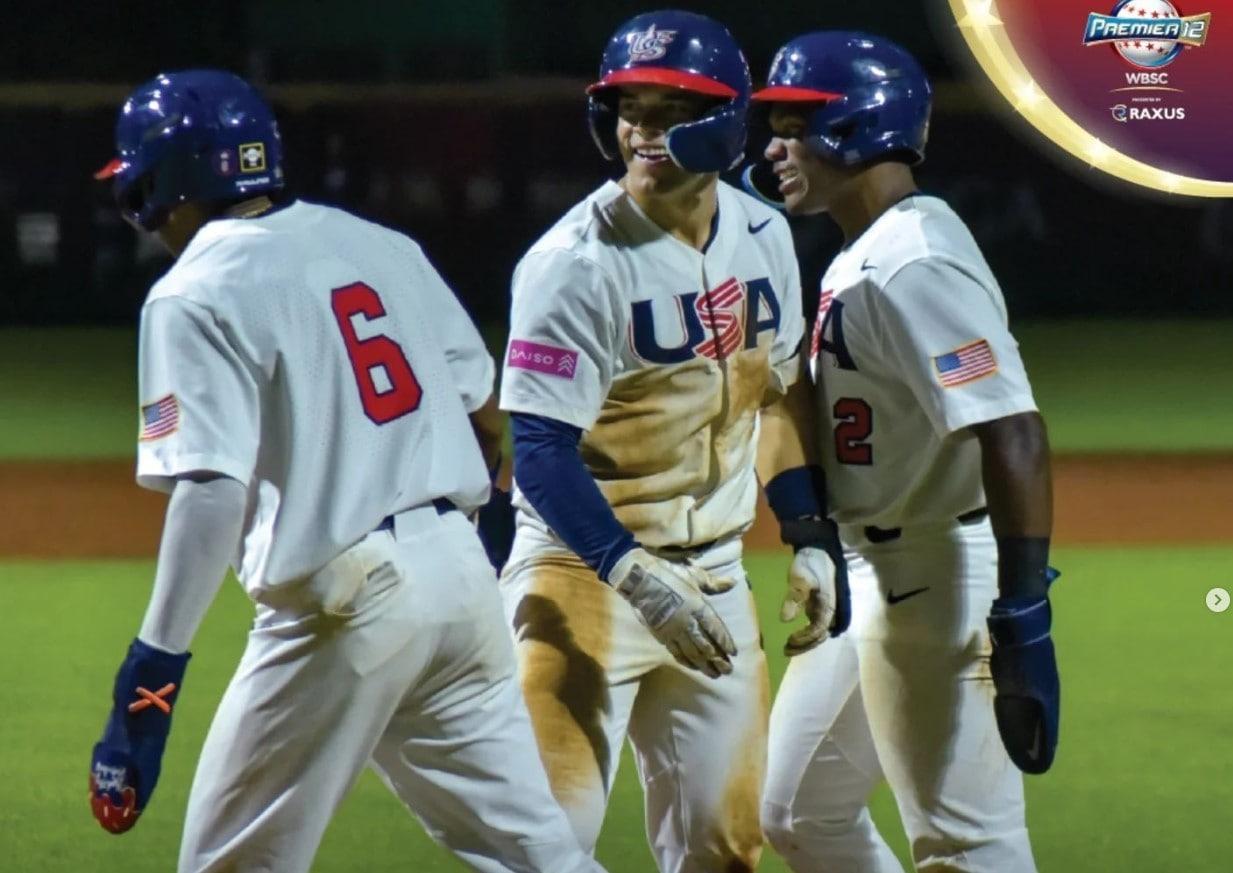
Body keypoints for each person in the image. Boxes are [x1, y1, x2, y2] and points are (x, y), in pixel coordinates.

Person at [87, 69, 603, 873]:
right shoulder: (377, 243)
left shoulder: (193, 291)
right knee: (539, 856)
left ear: (162, 184)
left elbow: (211, 486)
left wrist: (152, 669)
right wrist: (470, 534)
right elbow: (482, 404)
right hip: (462, 588)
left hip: (347, 604)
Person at [496, 10, 850, 872]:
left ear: (728, 121)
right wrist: (629, 572)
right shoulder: (572, 262)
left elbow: (774, 397)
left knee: (725, 847)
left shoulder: (766, 235)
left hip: (717, 573)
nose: (641, 130)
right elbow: (538, 449)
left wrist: (807, 536)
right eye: (630, 107)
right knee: (543, 844)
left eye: (670, 108)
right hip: (581, 572)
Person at [743, 32, 1060, 873]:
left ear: (854, 124)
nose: (771, 145)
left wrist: (1023, 610)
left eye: (792, 123)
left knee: (964, 845)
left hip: (938, 573)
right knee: (797, 810)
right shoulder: (867, 249)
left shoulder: (914, 259)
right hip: (871, 569)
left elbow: (1012, 426)